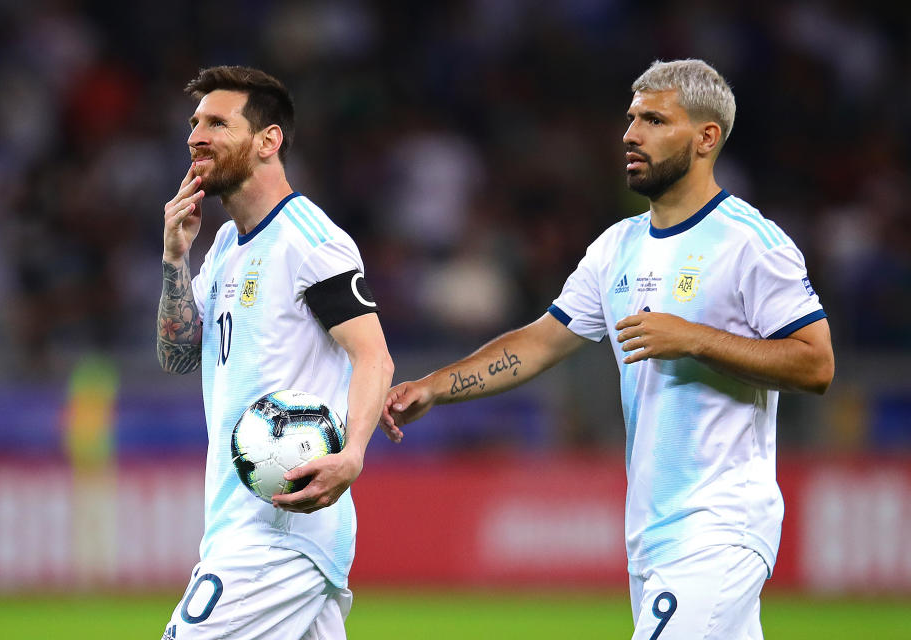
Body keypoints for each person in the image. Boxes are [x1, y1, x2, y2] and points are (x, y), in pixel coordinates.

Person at [381, 59, 834, 639]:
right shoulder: (616, 247)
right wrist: (434, 387)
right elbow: (541, 342)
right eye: (630, 119)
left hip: (718, 526)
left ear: (705, 137)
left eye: (653, 119)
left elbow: (816, 362)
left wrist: (693, 338)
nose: (630, 134)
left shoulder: (750, 243)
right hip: (651, 532)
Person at [156, 65, 394, 640]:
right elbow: (180, 357)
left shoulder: (309, 240)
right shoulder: (223, 249)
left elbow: (374, 358)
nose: (196, 135)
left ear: (269, 140)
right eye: (194, 123)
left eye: (217, 122)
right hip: (241, 519)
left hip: (281, 530)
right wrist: (173, 261)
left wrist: (353, 454)